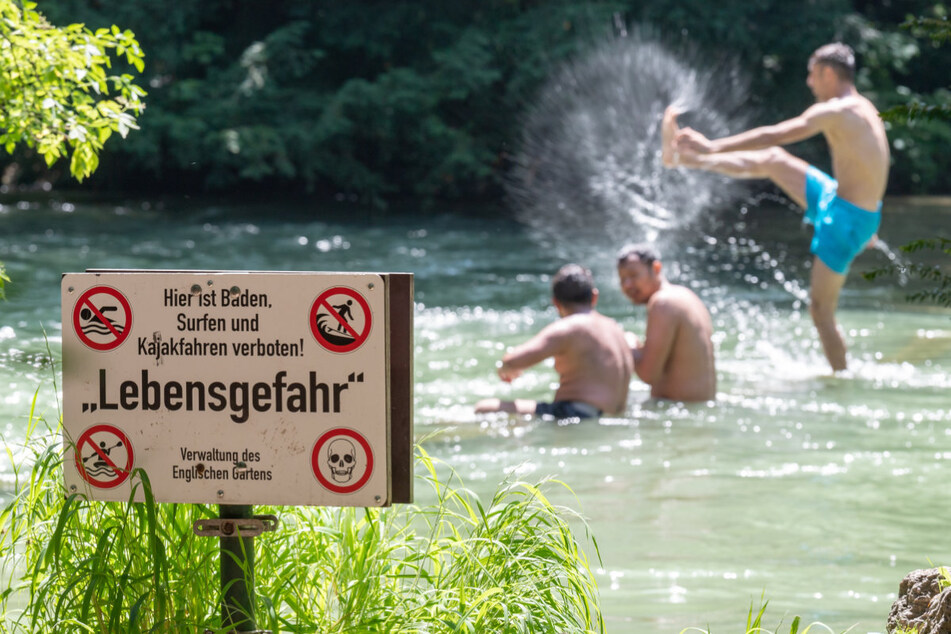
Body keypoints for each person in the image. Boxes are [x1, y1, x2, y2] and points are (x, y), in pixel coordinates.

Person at [662, 42, 889, 372]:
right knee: (772, 162)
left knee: (821, 312)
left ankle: (843, 380)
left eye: (812, 75)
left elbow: (777, 132)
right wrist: (871, 217)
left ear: (828, 73)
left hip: (846, 222)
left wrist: (714, 145)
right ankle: (682, 159)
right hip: (846, 204)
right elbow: (874, 163)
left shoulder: (837, 110)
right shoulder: (863, 107)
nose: (809, 83)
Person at [474, 264, 633, 420]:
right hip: (615, 414)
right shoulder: (615, 327)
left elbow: (511, 361)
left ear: (556, 303)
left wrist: (507, 370)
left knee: (485, 408)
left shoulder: (569, 327)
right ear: (594, 296)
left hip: (579, 414)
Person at [617, 244, 716, 402]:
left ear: (656, 268)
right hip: (695, 410)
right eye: (622, 279)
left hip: (677, 412)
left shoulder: (663, 303)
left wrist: (629, 344)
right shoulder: (686, 295)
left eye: (633, 275)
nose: (627, 285)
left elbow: (648, 374)